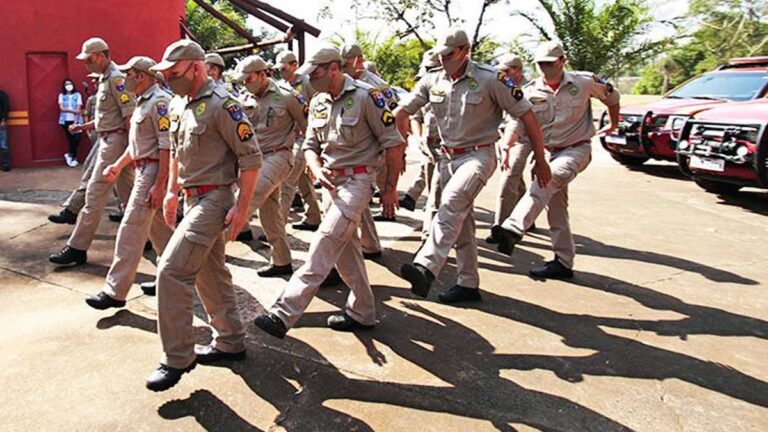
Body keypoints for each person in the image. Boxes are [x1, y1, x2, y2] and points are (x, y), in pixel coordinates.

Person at [254, 44, 404, 338]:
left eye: (317, 73)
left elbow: (393, 143)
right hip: (330, 184)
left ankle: (283, 312)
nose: (311, 79)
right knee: (346, 254)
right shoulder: (320, 102)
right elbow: (310, 144)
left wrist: (390, 189)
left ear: (334, 68)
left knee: (323, 241)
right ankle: (363, 312)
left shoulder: (367, 97)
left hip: (358, 182)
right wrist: (316, 165)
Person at [395, 28, 551, 303]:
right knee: (462, 222)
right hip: (446, 158)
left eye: (450, 54)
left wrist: (540, 159)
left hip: (478, 156)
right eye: (441, 54)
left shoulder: (492, 79)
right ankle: (468, 284)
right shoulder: (432, 80)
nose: (444, 60)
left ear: (465, 50)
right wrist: (397, 145)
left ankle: (426, 267)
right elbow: (403, 111)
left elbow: (526, 114)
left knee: (452, 201)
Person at [147, 39, 262, 391]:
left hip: (215, 199)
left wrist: (242, 210)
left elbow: (251, 158)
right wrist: (170, 192)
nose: (168, 80)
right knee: (210, 272)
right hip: (189, 198)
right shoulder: (180, 104)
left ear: (196, 68)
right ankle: (230, 341)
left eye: (174, 73)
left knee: (171, 270)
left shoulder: (223, 106)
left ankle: (177, 357)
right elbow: (179, 153)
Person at [494, 41, 620, 279]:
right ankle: (563, 261)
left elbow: (613, 97)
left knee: (547, 179)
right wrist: (508, 142)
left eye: (550, 64)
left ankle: (513, 226)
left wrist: (614, 123)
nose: (545, 69)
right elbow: (518, 121)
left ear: (563, 61)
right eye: (541, 64)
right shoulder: (531, 91)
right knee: (556, 208)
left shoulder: (583, 82)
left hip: (576, 149)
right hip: (550, 151)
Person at [83, 56, 174, 310]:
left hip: (153, 171)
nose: (125, 77)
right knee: (159, 232)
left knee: (130, 228)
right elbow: (136, 147)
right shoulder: (142, 103)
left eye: (130, 73)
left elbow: (166, 147)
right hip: (144, 168)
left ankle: (115, 291)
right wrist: (118, 165)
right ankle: (173, 277)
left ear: (142, 76)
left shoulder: (159, 102)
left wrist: (160, 184)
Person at [49, 37, 136, 266]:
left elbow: (129, 115)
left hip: (115, 143)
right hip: (110, 139)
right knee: (132, 198)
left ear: (100, 55)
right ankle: (151, 238)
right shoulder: (106, 79)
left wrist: (133, 150)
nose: (85, 64)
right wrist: (84, 126)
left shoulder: (117, 79)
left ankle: (77, 247)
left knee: (95, 194)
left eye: (88, 59)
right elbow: (108, 118)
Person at [232, 55, 307, 277]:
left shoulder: (288, 96)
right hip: (254, 159)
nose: (245, 84)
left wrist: (303, 155)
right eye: (243, 81)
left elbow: (308, 127)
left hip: (279, 156)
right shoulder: (244, 98)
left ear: (263, 74)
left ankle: (202, 255)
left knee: (245, 201)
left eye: (249, 79)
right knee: (270, 211)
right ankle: (282, 261)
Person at [487, 53, 533, 243]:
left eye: (506, 71)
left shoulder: (530, 89)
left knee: (508, 177)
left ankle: (501, 227)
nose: (503, 75)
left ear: (518, 70)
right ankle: (527, 216)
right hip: (505, 135)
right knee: (517, 179)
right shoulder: (501, 85)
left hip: (523, 137)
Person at [275, 50, 322, 233]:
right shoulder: (281, 86)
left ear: (294, 65)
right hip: (291, 137)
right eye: (279, 70)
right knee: (302, 179)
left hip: (307, 137)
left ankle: (278, 225)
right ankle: (313, 216)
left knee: (287, 181)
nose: (282, 73)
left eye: (285, 68)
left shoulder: (308, 83)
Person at [58, 79, 84, 167]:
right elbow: (62, 108)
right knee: (71, 139)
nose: (68, 85)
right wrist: (73, 111)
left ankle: (70, 155)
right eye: (66, 84)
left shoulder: (77, 95)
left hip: (76, 120)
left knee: (77, 138)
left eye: (70, 83)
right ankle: (73, 157)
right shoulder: (61, 96)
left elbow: (79, 106)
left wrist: (76, 112)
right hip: (65, 120)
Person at [0, 88, 9, 172]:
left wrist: (3, 120)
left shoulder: (2, 94)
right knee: (3, 145)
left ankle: (5, 165)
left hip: (1, 123)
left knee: (3, 145)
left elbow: (6, 107)